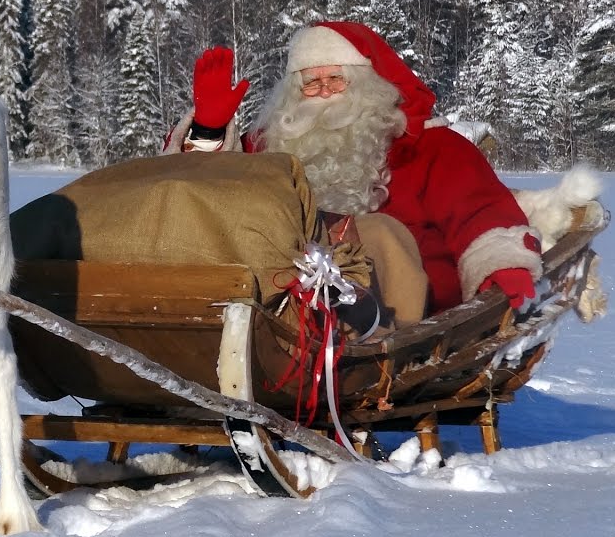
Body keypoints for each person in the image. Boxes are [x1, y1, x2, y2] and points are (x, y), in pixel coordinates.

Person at [166, 21, 542, 316]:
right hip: (277, 313)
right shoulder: (270, 148)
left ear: (368, 85)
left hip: (406, 315)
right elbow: (206, 199)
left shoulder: (429, 146)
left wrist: (501, 265)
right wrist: (209, 130)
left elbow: (479, 208)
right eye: (311, 83)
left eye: (337, 79)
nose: (326, 91)